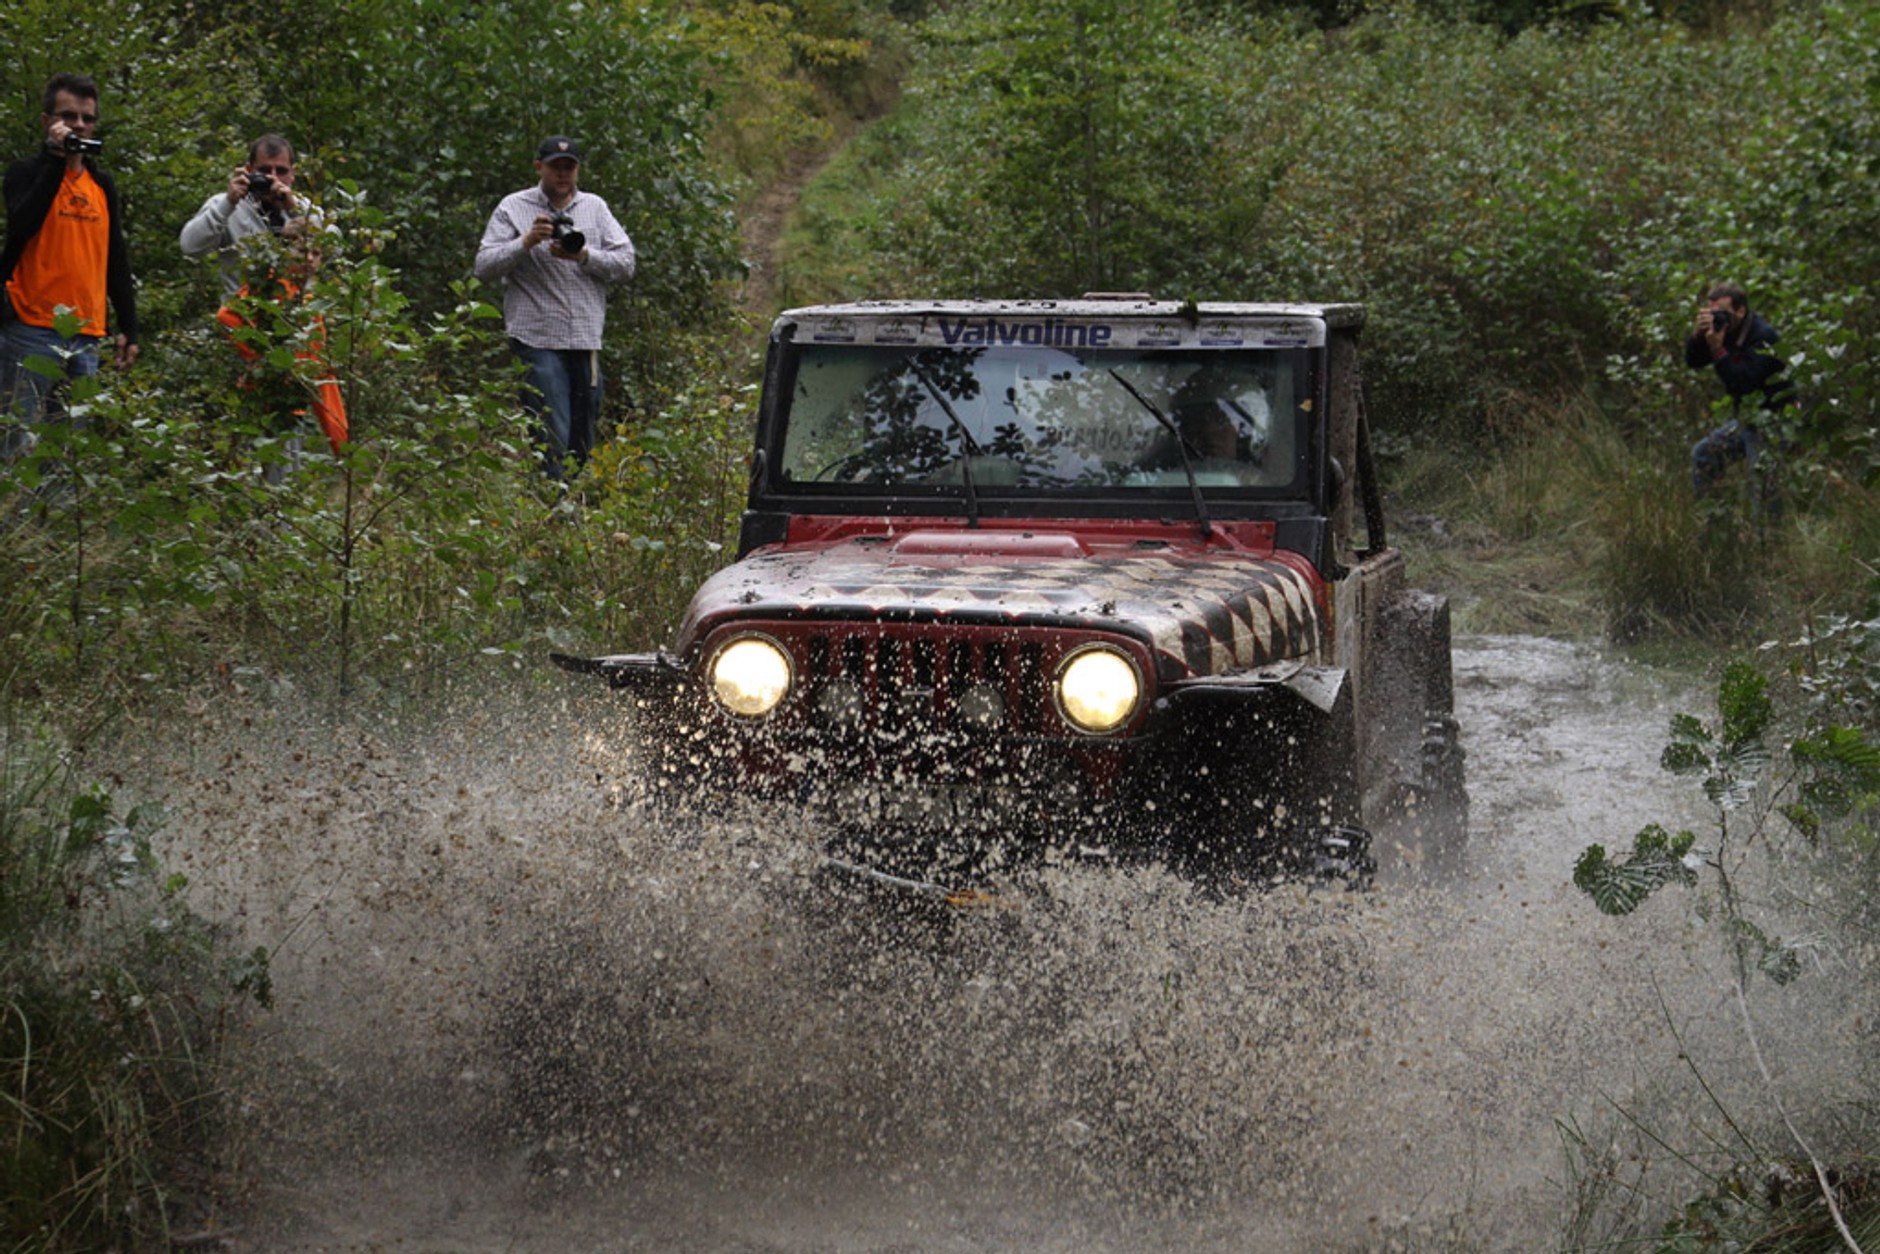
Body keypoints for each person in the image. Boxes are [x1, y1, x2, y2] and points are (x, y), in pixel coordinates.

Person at [474, 136, 636, 479]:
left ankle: (571, 502)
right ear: (539, 167)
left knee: (583, 429)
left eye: (569, 167)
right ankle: (554, 503)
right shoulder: (513, 207)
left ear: (577, 169)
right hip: (536, 337)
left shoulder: (595, 207)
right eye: (555, 167)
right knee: (551, 427)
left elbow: (626, 263)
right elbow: (484, 266)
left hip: (585, 337)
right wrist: (526, 242)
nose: (563, 174)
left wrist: (584, 255)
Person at [1, 72, 139, 443]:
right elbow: (22, 225)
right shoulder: (25, 173)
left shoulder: (100, 184)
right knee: (16, 447)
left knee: (66, 459)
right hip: (30, 329)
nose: (79, 124)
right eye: (69, 116)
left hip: (87, 336)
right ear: (48, 122)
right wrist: (54, 160)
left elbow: (115, 257)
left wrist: (129, 326)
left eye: (87, 117)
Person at [1685, 282, 1797, 500]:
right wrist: (1699, 336)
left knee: (1763, 486)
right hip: (1747, 420)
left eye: (1722, 313)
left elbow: (1742, 384)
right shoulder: (1725, 330)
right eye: (1712, 312)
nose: (1718, 318)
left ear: (1741, 310)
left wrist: (1718, 349)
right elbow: (1693, 362)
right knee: (1703, 454)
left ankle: (1768, 534)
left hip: (1774, 420)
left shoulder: (1763, 337)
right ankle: (1714, 520)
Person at [180, 133, 320, 296]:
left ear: (292, 173)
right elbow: (190, 247)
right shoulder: (224, 205)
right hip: (244, 316)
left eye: (281, 171)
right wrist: (228, 204)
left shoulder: (304, 207)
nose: (273, 177)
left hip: (297, 316)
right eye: (264, 170)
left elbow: (335, 249)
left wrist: (296, 212)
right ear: (249, 170)